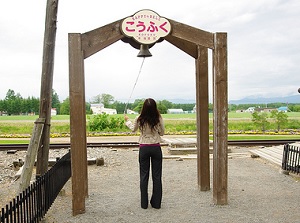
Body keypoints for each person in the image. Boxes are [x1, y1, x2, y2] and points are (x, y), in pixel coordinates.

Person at [124, 98, 165, 209]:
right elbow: (162, 133)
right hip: (156, 147)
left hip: (144, 148)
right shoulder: (158, 118)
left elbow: (133, 129)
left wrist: (127, 120)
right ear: (155, 107)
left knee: (144, 175)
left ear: (143, 107)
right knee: (157, 176)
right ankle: (156, 204)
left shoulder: (139, 118)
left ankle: (144, 204)